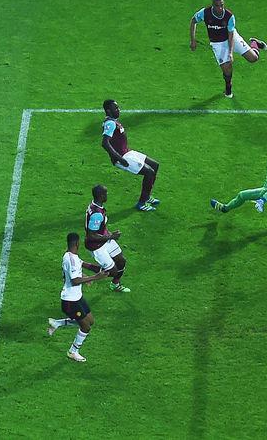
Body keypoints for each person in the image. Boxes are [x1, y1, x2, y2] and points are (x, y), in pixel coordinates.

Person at [189, 0, 267, 98]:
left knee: (253, 58)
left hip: (232, 38)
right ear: (213, 5)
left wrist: (230, 53)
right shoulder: (205, 13)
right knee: (227, 68)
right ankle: (228, 89)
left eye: (222, 5)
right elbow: (193, 21)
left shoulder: (229, 16)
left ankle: (254, 44)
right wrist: (193, 40)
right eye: (217, 6)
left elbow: (231, 35)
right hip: (218, 43)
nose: (220, 8)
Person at [47, 232, 109, 362]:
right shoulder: (71, 259)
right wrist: (94, 277)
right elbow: (75, 280)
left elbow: (81, 264)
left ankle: (57, 323)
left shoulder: (69, 255)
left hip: (77, 297)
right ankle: (73, 351)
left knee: (90, 321)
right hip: (70, 301)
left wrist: (97, 269)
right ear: (77, 243)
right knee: (85, 327)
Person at [101, 99, 160, 212]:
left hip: (127, 152)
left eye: (118, 107)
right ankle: (142, 203)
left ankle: (147, 196)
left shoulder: (114, 121)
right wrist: (119, 158)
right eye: (116, 108)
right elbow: (105, 143)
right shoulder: (110, 123)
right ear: (108, 110)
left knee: (155, 165)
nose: (118, 110)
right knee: (149, 172)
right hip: (123, 157)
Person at [85, 184, 131, 293]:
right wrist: (111, 236)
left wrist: (108, 234)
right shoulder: (96, 214)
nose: (107, 195)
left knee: (121, 261)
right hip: (96, 246)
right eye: (106, 193)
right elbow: (91, 235)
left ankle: (115, 284)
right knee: (112, 272)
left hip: (105, 239)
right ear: (101, 196)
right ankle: (83, 264)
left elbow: (99, 227)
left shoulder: (96, 206)